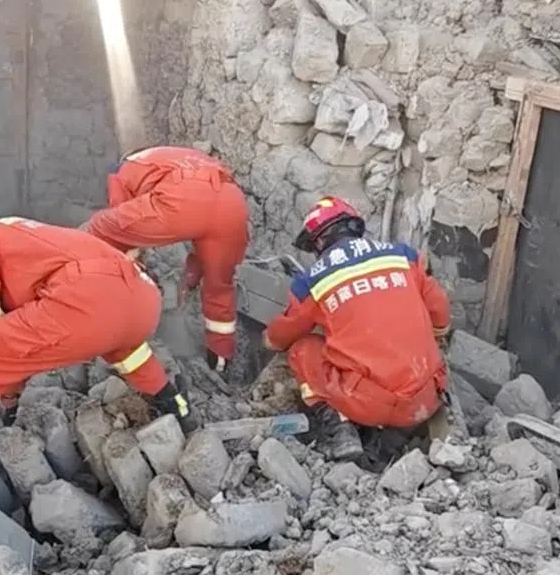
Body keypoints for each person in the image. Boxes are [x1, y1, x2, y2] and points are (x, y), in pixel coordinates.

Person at [0, 214, 198, 495]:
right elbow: (15, 345)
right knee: (127, 349)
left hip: (86, 298)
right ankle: (173, 403)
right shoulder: (18, 233)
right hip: (141, 297)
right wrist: (9, 400)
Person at [264, 197, 452, 462]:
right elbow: (439, 308)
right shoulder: (405, 256)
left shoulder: (314, 281)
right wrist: (438, 337)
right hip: (427, 398)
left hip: (368, 405)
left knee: (302, 350)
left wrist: (269, 340)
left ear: (318, 242)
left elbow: (283, 334)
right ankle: (398, 435)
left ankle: (339, 428)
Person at [82, 146, 249, 375]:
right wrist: (190, 278)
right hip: (232, 202)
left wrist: (135, 266)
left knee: (101, 226)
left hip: (181, 200)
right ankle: (220, 358)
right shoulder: (181, 157)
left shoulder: (122, 169)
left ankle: (94, 307)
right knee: (219, 283)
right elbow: (205, 224)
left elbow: (121, 225)